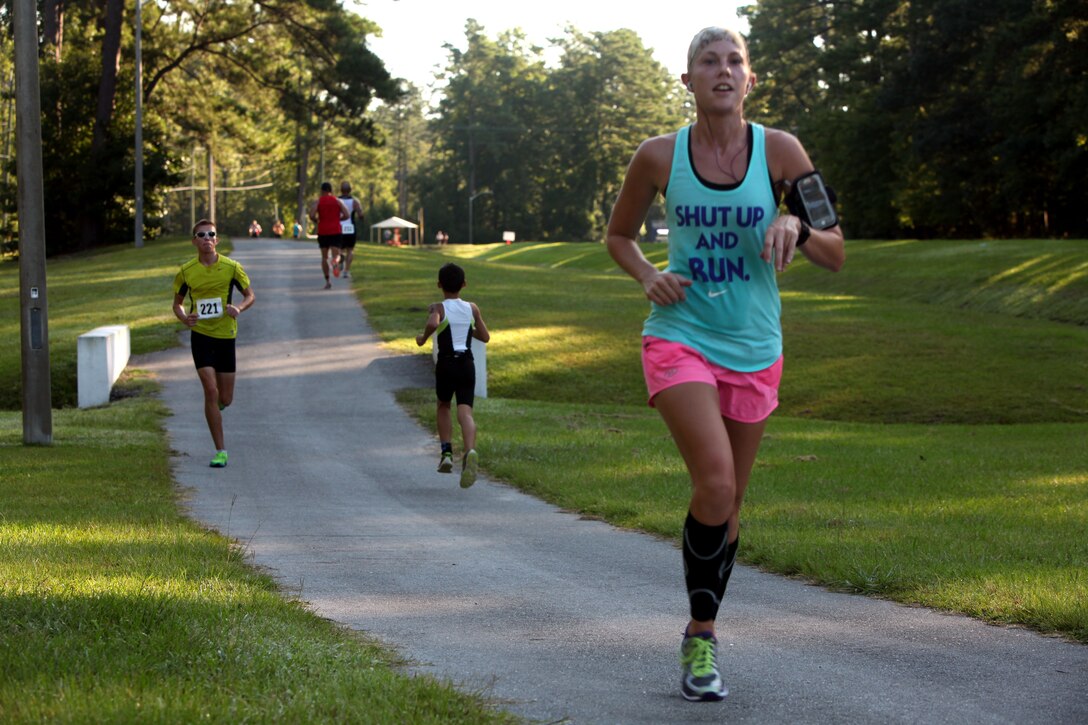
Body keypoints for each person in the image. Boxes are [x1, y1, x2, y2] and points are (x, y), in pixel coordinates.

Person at [605, 26, 845, 702]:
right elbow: (618, 235)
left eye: (734, 61)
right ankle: (700, 636)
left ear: (750, 80)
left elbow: (836, 249)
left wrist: (796, 223)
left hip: (754, 345)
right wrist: (648, 273)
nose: (722, 70)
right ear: (686, 81)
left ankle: (704, 625)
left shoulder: (781, 152)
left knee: (730, 499)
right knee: (713, 482)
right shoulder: (658, 156)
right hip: (679, 333)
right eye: (707, 62)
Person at [172, 219, 256, 468]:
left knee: (225, 398)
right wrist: (185, 317)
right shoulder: (187, 271)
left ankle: (215, 408)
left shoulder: (232, 267)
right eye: (201, 234)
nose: (207, 238)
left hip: (226, 336)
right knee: (210, 391)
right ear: (194, 241)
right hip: (201, 336)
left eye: (211, 234)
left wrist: (238, 308)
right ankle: (221, 451)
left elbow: (250, 295)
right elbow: (176, 303)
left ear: (217, 240)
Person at [415, 262, 491, 488]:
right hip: (467, 364)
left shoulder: (439, 308)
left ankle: (447, 453)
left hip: (447, 364)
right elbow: (485, 336)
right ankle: (470, 451)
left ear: (439, 284)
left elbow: (432, 323)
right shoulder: (472, 308)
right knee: (465, 412)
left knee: (443, 406)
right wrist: (468, 330)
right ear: (464, 284)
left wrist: (423, 337)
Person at [308, 182, 349, 288]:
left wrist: (317, 220)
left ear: (322, 191)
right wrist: (339, 219)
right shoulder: (337, 201)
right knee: (337, 255)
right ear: (331, 191)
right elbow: (347, 214)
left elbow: (312, 215)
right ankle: (336, 261)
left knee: (324, 258)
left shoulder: (318, 201)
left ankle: (328, 281)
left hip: (323, 231)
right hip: (335, 230)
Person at [337, 181, 364, 279]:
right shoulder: (355, 201)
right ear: (350, 190)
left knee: (338, 248)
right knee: (350, 250)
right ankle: (346, 271)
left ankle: (340, 257)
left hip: (339, 227)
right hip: (350, 227)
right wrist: (361, 217)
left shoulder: (336, 200)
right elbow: (361, 214)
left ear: (341, 190)